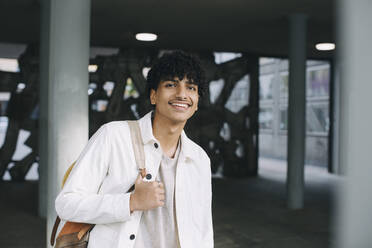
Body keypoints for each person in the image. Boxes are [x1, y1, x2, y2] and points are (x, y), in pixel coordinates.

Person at [55, 51, 214, 248]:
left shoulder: (199, 158)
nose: (182, 94)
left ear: (197, 102)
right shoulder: (113, 136)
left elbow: (204, 228)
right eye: (171, 84)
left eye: (191, 87)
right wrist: (130, 202)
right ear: (154, 95)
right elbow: (66, 204)